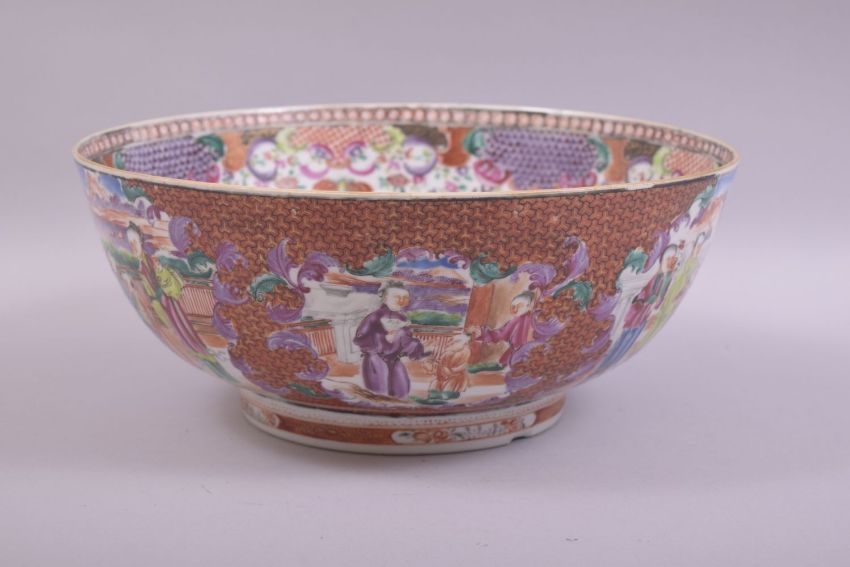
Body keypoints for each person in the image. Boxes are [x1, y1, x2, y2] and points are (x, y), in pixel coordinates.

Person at [353, 282, 429, 398]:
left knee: (402, 390)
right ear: (385, 298)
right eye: (397, 297)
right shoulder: (374, 317)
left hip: (394, 359)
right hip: (375, 359)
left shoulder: (402, 319)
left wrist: (416, 345)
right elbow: (359, 339)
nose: (401, 301)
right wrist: (383, 336)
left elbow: (406, 342)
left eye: (405, 298)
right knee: (379, 393)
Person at [469, 291, 534, 368]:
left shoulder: (524, 319)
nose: (514, 310)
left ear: (527, 305)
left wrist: (482, 333)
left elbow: (500, 334)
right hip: (518, 354)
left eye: (518, 306)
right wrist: (481, 333)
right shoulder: (517, 320)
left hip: (523, 355)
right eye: (513, 307)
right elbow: (501, 333)